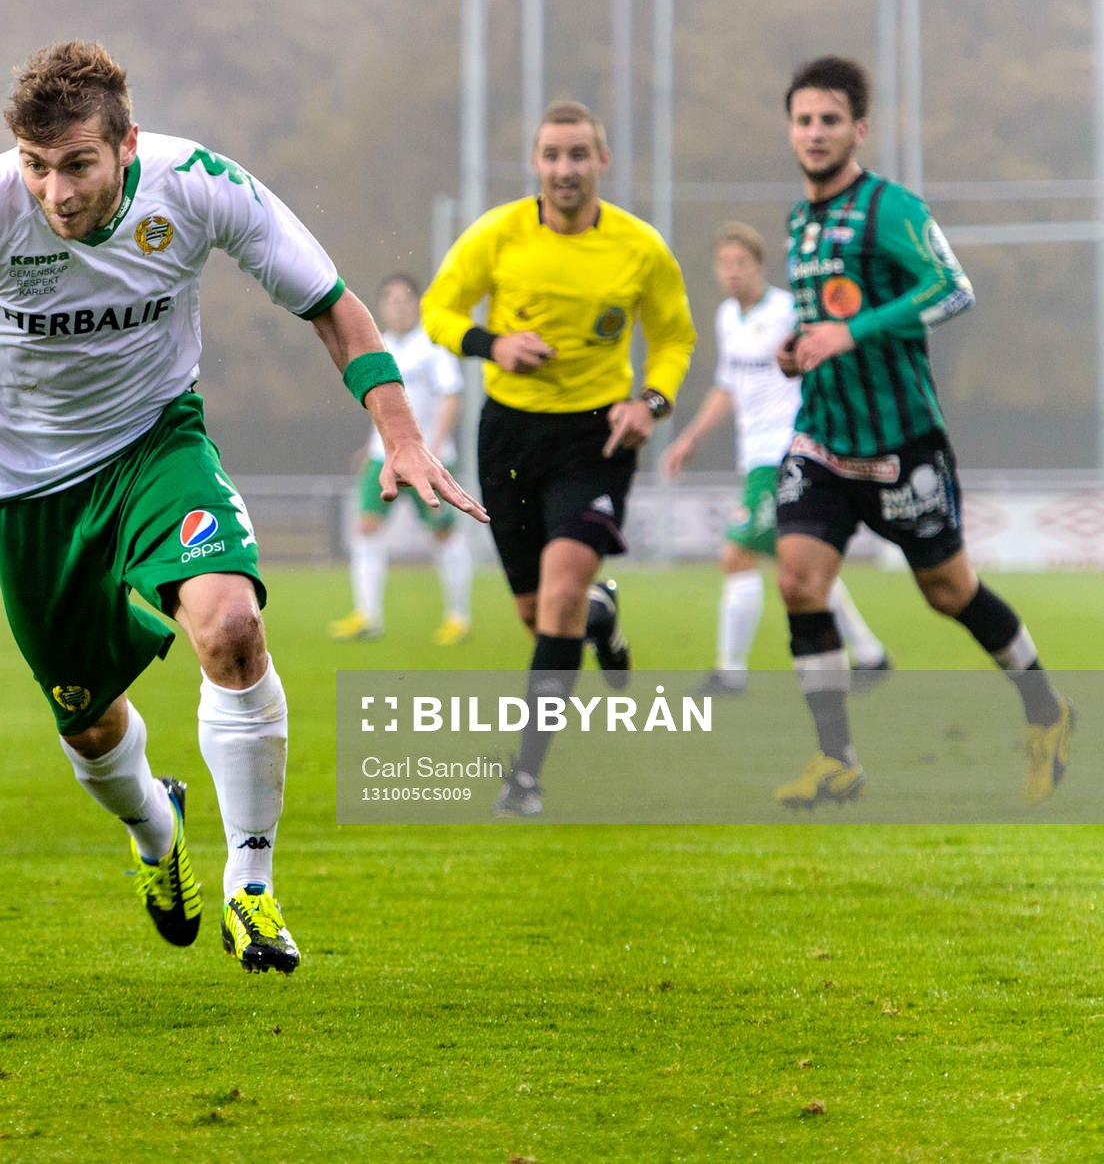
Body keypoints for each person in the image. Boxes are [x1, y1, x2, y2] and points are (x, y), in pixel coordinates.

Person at [0, 41, 483, 973]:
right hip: (24, 490)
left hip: (154, 446)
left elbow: (333, 304)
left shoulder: (199, 185)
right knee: (89, 722)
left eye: (78, 164)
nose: (55, 191)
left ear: (127, 144)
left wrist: (404, 434)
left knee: (231, 626)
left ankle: (251, 889)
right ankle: (154, 828)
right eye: (37, 165)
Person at [770, 56, 1072, 809]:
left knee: (949, 590)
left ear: (858, 128)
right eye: (804, 119)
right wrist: (800, 346)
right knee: (800, 578)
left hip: (902, 442)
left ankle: (1047, 709)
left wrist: (854, 331)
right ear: (791, 128)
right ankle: (835, 757)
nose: (815, 132)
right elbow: (824, 320)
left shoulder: (889, 208)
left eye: (830, 119)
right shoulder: (799, 219)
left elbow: (953, 288)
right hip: (823, 438)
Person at [422, 99, 695, 818]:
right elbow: (438, 310)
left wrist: (653, 403)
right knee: (538, 613)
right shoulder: (499, 234)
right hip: (510, 435)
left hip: (597, 438)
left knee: (560, 595)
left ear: (602, 160)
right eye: (551, 156)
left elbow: (674, 338)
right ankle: (602, 619)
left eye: (578, 154)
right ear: (536, 163)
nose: (564, 169)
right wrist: (492, 344)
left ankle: (527, 775)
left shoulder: (640, 248)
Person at [662, 222, 888, 695]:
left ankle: (730, 673)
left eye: (740, 264)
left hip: (785, 450)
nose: (731, 274)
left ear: (759, 266)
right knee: (801, 564)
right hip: (755, 455)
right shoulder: (727, 317)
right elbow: (727, 388)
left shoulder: (787, 310)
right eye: (724, 265)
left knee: (738, 552)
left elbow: (826, 359)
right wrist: (689, 440)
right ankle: (869, 654)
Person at [328, 272, 475, 645]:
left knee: (443, 532)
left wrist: (436, 445)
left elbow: (451, 396)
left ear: (417, 303)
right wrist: (370, 446)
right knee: (367, 528)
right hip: (383, 457)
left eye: (404, 298)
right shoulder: (380, 346)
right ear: (380, 307)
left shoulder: (433, 346)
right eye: (390, 299)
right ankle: (368, 615)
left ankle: (458, 616)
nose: (397, 305)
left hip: (431, 456)